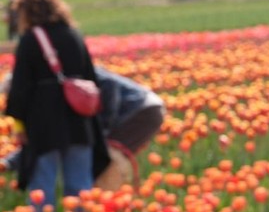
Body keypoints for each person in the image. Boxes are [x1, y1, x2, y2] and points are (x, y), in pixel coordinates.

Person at [4, 0, 109, 212]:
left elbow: (20, 85)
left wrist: (18, 122)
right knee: (80, 185)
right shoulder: (74, 35)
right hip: (80, 120)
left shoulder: (31, 40)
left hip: (43, 124)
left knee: (42, 184)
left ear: (27, 11)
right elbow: (92, 77)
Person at [1, 67, 165, 190]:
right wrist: (8, 163)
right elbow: (40, 141)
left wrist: (103, 128)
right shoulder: (45, 103)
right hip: (139, 110)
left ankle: (112, 203)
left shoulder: (60, 79)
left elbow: (110, 86)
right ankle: (109, 202)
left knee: (108, 158)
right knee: (102, 157)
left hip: (141, 110)